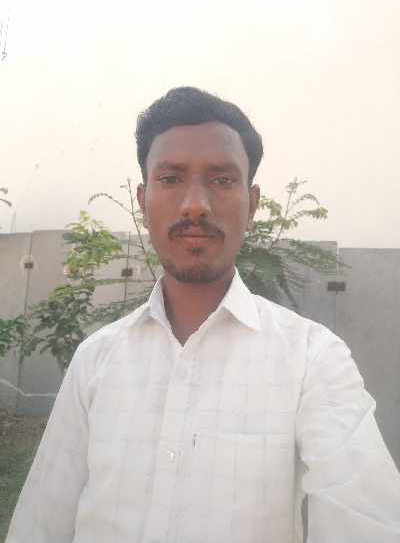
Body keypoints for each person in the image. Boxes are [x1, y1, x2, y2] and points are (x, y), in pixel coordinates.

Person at [6, 87, 400, 543]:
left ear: (252, 205)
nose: (195, 204)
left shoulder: (312, 359)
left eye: (222, 179)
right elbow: (41, 521)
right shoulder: (96, 359)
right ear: (142, 200)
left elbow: (364, 521)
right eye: (171, 178)